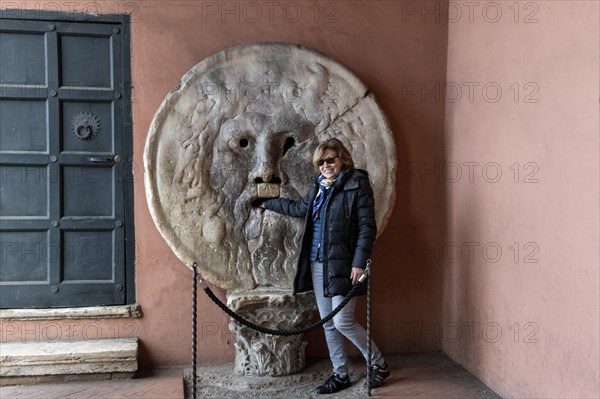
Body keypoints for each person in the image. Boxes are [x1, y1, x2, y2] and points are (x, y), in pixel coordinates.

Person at [255, 138, 390, 394]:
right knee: (328, 322)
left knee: (343, 321)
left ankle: (378, 363)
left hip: (344, 264)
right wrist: (266, 203)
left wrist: (359, 262)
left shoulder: (357, 184)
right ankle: (340, 374)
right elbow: (298, 209)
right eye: (321, 161)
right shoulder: (318, 186)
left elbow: (366, 227)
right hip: (318, 263)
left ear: (342, 159)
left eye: (330, 159)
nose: (326, 165)